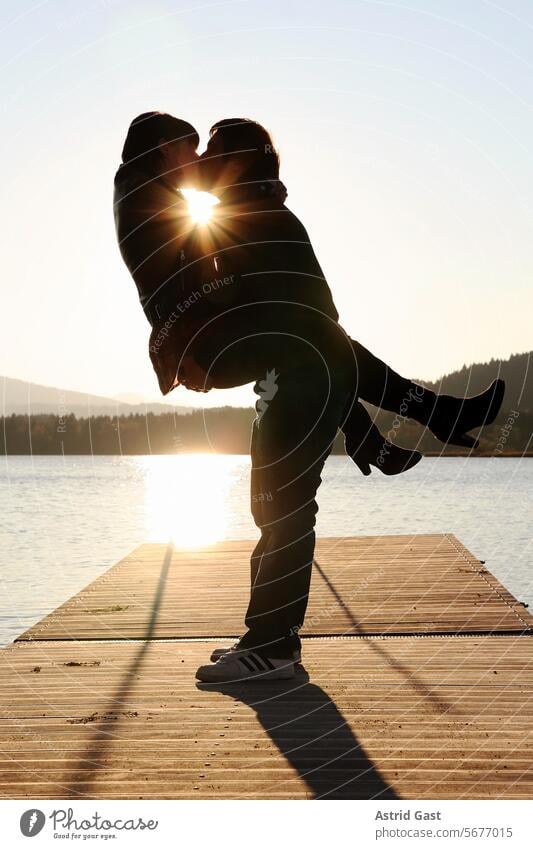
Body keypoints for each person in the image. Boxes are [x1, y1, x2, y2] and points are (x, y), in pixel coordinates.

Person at [114, 113, 505, 682]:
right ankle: (266, 636)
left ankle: (272, 646)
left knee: (285, 506)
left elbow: (320, 328)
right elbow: (303, 330)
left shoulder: (265, 221)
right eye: (191, 151)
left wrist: (359, 426)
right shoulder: (237, 216)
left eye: (209, 152)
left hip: (305, 371)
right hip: (290, 368)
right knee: (272, 506)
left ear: (235, 163)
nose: (196, 162)